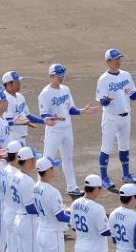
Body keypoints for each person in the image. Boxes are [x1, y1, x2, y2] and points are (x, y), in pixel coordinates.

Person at [96, 48, 136, 188]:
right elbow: (102, 102)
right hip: (110, 118)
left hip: (126, 117)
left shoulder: (126, 75)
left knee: (124, 146)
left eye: (119, 58)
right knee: (106, 148)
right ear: (108, 61)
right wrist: (106, 100)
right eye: (116, 59)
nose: (119, 61)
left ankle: (126, 174)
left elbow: (132, 95)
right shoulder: (103, 79)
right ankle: (104, 178)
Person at [38, 63, 99, 196]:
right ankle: (41, 187)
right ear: (51, 76)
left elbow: (71, 109)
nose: (61, 79)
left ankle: (72, 187)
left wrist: (82, 111)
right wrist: (53, 117)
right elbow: (43, 114)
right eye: (58, 76)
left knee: (68, 158)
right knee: (46, 160)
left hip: (67, 129)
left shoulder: (65, 89)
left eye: (62, 76)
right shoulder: (45, 93)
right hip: (53, 131)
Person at [7, 146, 39, 252]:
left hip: (18, 218)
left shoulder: (16, 176)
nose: (35, 162)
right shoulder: (27, 181)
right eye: (33, 159)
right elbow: (31, 208)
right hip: (27, 221)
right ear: (28, 161)